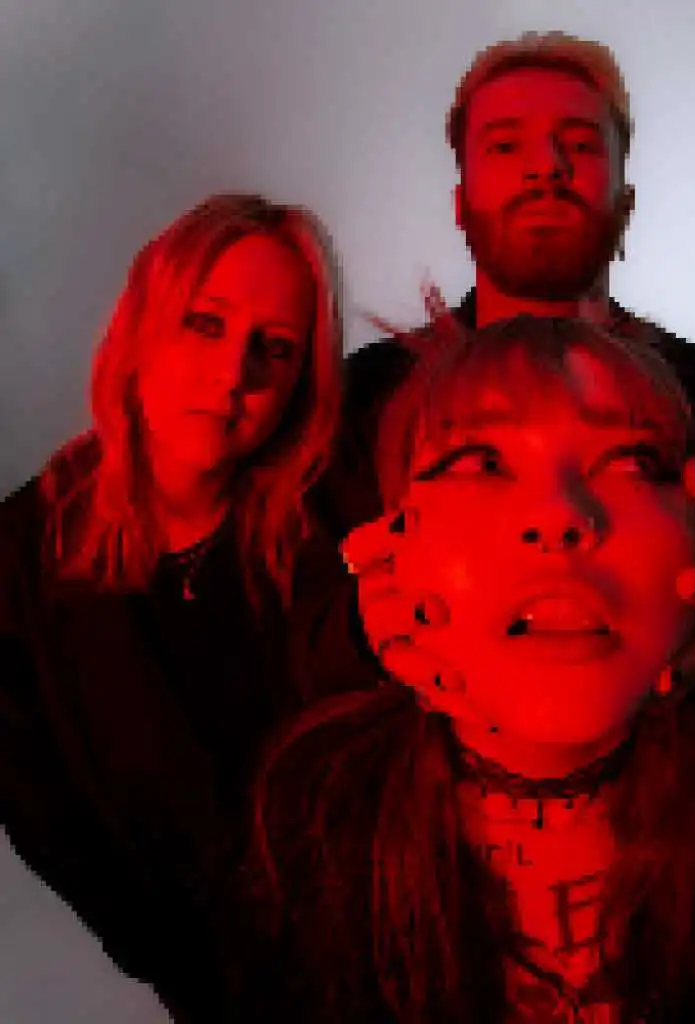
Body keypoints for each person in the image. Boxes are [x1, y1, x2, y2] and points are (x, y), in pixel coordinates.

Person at [243, 312, 695, 1024]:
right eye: (479, 462)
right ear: (389, 545)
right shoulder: (302, 839)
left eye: (631, 463)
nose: (559, 516)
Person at [314, 31, 695, 689]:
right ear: (459, 205)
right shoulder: (355, 405)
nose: (545, 167)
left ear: (627, 203)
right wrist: (362, 632)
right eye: (505, 146)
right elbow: (295, 656)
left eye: (579, 144)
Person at [0, 193, 376, 1021]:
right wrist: (173, 957)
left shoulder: (334, 517)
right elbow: (42, 815)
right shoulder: (17, 564)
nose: (233, 375)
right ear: (143, 327)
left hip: (390, 957)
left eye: (275, 348)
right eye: (205, 325)